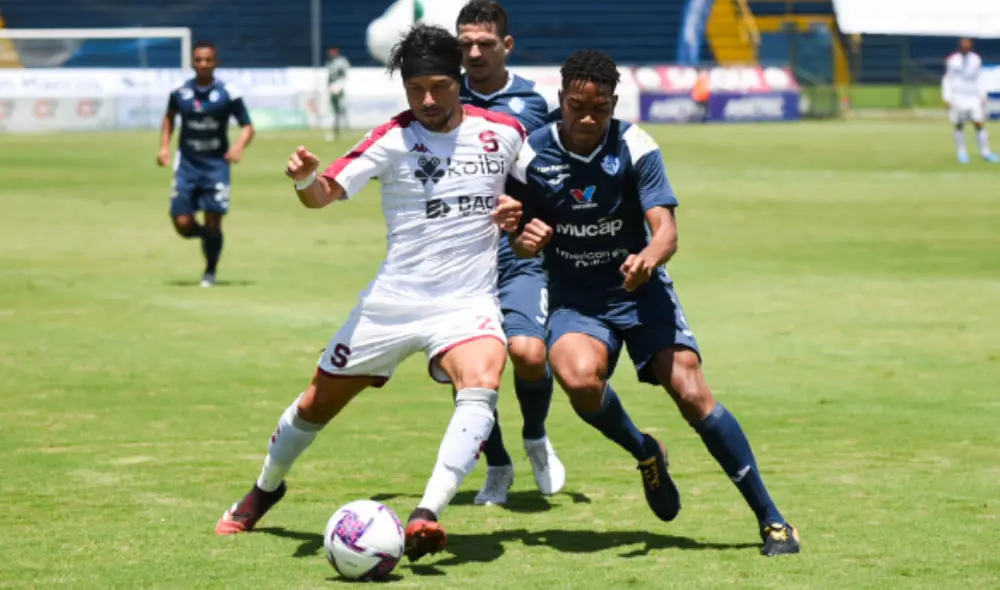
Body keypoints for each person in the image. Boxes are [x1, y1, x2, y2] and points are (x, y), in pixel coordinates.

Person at [214, 24, 526, 564]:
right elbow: (323, 195)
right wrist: (304, 180)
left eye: (438, 87)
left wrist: (523, 217)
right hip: (391, 303)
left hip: (466, 303)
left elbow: (541, 195)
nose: (427, 100)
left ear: (458, 81)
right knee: (315, 405)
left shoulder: (506, 133)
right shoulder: (392, 137)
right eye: (415, 90)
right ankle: (266, 488)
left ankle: (428, 513)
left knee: (483, 378)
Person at [506, 49, 801, 557]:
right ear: (561, 100)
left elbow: (666, 229)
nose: (587, 118)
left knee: (689, 391)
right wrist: (523, 241)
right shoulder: (531, 154)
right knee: (577, 379)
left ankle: (771, 519)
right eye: (577, 106)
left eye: (599, 108)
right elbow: (518, 233)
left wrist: (647, 258)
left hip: (639, 291)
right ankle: (646, 450)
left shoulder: (635, 145)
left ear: (613, 103)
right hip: (576, 300)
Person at [455, 0, 565, 506]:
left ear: (507, 45)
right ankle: (497, 466)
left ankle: (536, 436)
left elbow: (551, 176)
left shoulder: (533, 103)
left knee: (528, 352)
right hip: (458, 255)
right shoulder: (442, 97)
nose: (474, 52)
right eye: (466, 44)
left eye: (484, 43)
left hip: (517, 252)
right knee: (473, 369)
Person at [157, 41, 255, 287]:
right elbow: (169, 118)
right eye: (198, 60)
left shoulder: (228, 93)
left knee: (214, 219)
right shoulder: (180, 91)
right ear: (193, 63)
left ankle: (210, 271)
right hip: (187, 164)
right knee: (182, 223)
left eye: (208, 60)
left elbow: (248, 126)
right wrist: (164, 147)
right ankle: (209, 237)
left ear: (216, 63)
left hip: (216, 166)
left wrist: (238, 146)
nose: (203, 65)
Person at [942, 37, 998, 164]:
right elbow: (948, 78)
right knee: (959, 125)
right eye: (963, 45)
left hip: (973, 96)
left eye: (968, 45)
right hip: (958, 96)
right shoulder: (952, 60)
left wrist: (982, 94)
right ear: (959, 46)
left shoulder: (975, 59)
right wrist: (947, 96)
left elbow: (979, 78)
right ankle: (962, 153)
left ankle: (986, 153)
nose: (965, 48)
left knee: (979, 123)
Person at [325, 46, 351, 141]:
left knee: (341, 107)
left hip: (338, 86)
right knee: (334, 109)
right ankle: (336, 128)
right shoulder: (329, 63)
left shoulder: (341, 62)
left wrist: (340, 85)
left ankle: (345, 126)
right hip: (332, 87)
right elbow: (329, 77)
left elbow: (343, 75)